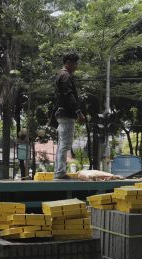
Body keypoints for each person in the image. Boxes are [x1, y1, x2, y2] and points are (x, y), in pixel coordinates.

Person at [53, 52, 85, 180]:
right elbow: (68, 95)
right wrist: (78, 112)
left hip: (61, 113)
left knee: (62, 144)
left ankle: (58, 171)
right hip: (67, 114)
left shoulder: (60, 75)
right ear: (68, 63)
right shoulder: (65, 76)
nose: (76, 66)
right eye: (75, 63)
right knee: (65, 144)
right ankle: (60, 173)